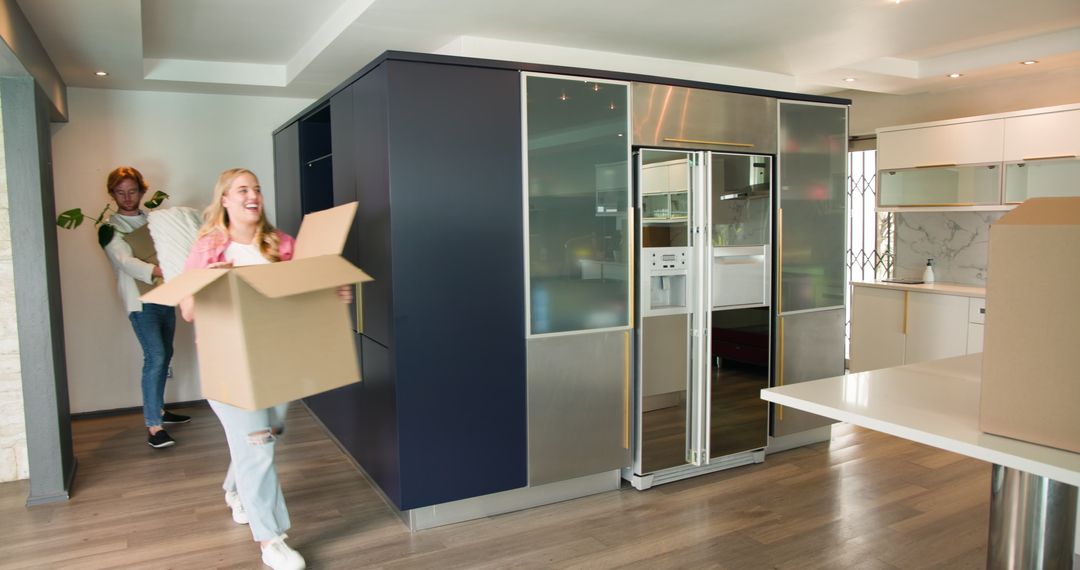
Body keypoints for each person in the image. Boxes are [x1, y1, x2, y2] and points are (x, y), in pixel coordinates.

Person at [180, 168, 350, 570]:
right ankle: (271, 539)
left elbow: (303, 298)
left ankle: (234, 490)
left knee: (267, 434)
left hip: (275, 360)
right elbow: (187, 310)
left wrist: (331, 292)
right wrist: (209, 283)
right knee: (258, 444)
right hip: (228, 364)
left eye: (256, 188)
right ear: (224, 199)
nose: (252, 195)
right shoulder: (209, 248)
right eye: (242, 190)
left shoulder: (282, 244)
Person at [102, 166, 189, 449]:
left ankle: (160, 411)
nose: (127, 197)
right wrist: (160, 269)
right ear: (112, 193)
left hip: (165, 295)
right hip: (140, 302)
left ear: (142, 191)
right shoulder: (109, 228)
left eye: (132, 191)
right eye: (120, 192)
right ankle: (154, 427)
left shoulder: (155, 221)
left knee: (166, 354)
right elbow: (125, 262)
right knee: (156, 356)